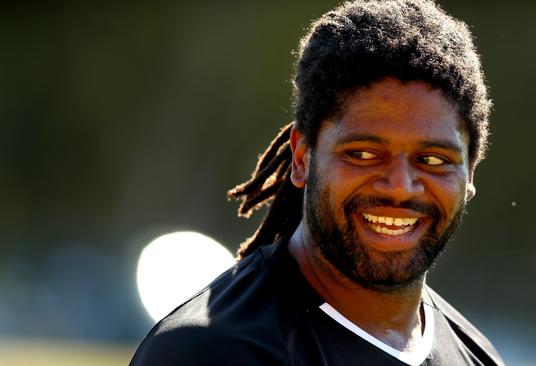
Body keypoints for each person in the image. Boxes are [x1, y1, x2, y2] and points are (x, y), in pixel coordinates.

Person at [130, 0, 504, 365]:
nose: (400, 187)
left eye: (433, 160)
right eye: (363, 154)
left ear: (470, 172)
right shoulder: (214, 351)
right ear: (302, 157)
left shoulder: (476, 355)